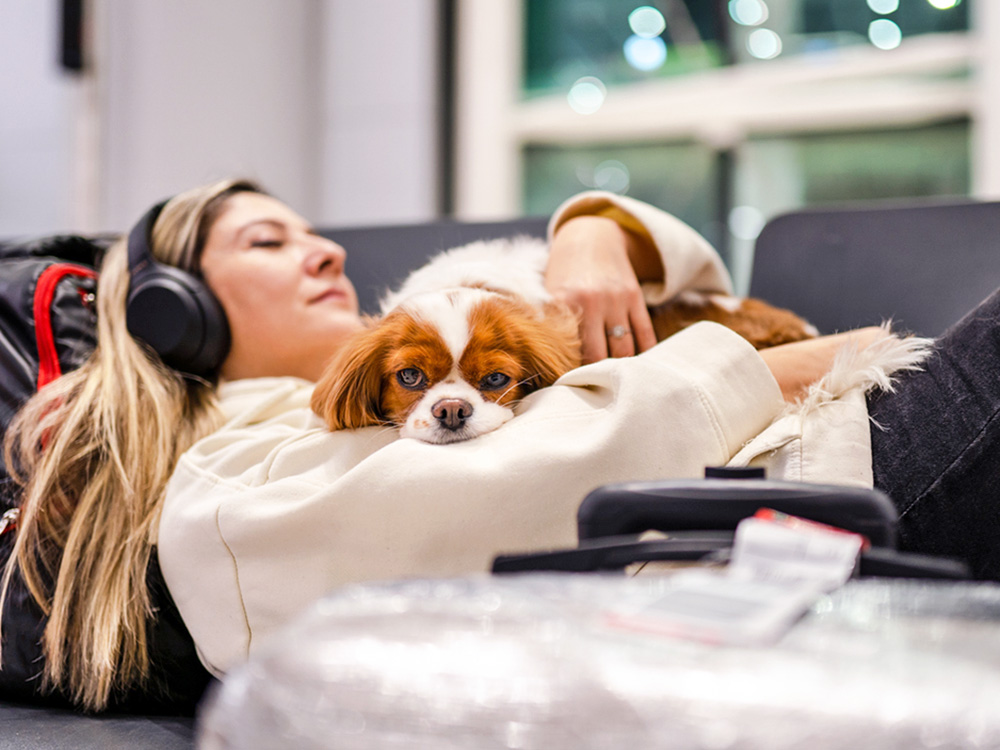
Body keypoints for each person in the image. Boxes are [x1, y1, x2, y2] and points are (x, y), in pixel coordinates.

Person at [0, 177, 980, 712]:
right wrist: (779, 369)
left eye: (311, 230)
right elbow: (520, 484)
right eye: (266, 241)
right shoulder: (230, 455)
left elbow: (628, 312)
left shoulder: (429, 328)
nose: (327, 249)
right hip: (784, 520)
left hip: (798, 495)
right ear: (179, 315)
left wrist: (593, 231)